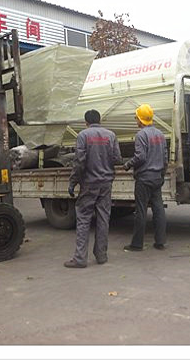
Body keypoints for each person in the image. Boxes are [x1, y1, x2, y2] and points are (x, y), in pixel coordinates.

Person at [65, 109, 122, 268]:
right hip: (106, 183)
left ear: (86, 122)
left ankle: (80, 259)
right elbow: (117, 159)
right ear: (100, 120)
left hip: (89, 184)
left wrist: (73, 182)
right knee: (103, 218)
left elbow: (79, 162)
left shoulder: (83, 135)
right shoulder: (111, 135)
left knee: (83, 219)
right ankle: (101, 255)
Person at [123, 104, 168, 251]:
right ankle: (160, 242)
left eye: (136, 117)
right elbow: (165, 158)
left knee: (141, 211)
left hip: (144, 178)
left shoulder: (141, 135)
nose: (136, 120)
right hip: (157, 178)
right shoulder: (160, 134)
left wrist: (128, 164)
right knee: (158, 209)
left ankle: (137, 244)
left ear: (141, 119)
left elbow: (140, 157)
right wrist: (162, 174)